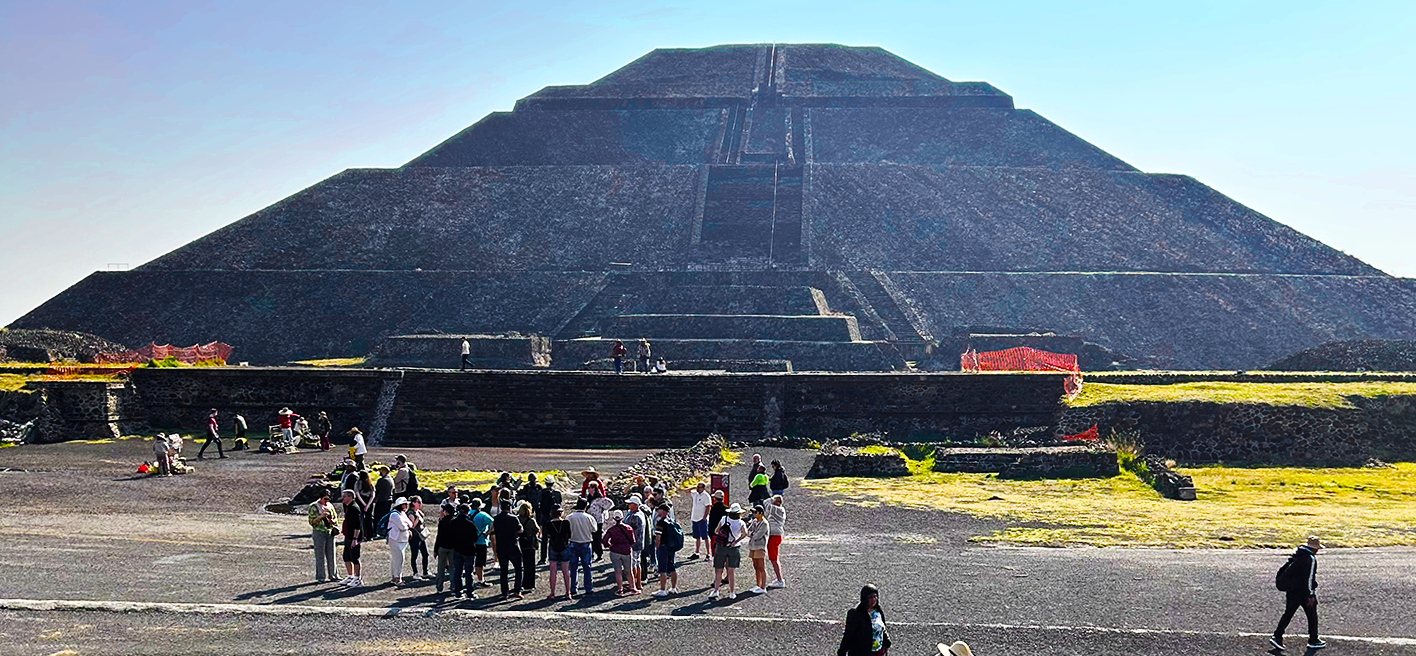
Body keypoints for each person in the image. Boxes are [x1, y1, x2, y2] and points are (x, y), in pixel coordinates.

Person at [1272, 536, 1326, 652]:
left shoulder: (1297, 555)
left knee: (1288, 613)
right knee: (1312, 616)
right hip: (1303, 593)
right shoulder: (1309, 558)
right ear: (1314, 549)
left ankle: (1277, 635)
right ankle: (1313, 640)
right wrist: (1310, 594)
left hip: (1292, 591)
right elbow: (1309, 578)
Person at [838, 584, 891, 656]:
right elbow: (849, 635)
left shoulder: (878, 612)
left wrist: (887, 643)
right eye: (870, 597)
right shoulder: (856, 614)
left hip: (878, 652)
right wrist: (842, 651)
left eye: (875, 597)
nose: (873, 600)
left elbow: (882, 628)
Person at [709, 503, 746, 600]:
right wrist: (736, 541)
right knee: (731, 571)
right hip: (734, 547)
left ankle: (716, 590)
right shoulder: (741, 523)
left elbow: (716, 531)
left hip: (721, 546)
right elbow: (745, 533)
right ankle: (732, 592)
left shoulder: (723, 519)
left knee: (718, 570)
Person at [491, 500, 523, 600]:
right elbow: (520, 530)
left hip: (501, 547)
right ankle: (517, 590)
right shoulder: (514, 518)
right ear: (509, 508)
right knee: (518, 569)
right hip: (513, 546)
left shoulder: (496, 519)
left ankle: (505, 593)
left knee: (503, 571)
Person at [566, 499, 598, 596]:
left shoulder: (569, 517)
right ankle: (588, 588)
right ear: (585, 506)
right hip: (586, 543)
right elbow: (594, 529)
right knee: (587, 567)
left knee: (573, 567)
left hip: (573, 543)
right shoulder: (589, 517)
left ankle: (573, 588)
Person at [308, 487, 339, 582]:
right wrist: (321, 516)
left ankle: (333, 575)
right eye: (325, 499)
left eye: (328, 499)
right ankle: (321, 577)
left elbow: (336, 519)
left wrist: (332, 520)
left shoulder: (330, 506)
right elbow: (311, 521)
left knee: (331, 555)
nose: (326, 501)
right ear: (320, 498)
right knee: (320, 555)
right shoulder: (314, 506)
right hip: (319, 532)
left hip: (330, 532)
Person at [651, 503, 682, 597]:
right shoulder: (671, 521)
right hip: (671, 547)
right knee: (672, 567)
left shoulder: (661, 523)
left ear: (663, 511)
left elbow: (658, 537)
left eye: (659, 510)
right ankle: (673, 588)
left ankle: (662, 589)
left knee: (662, 570)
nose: (657, 512)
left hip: (663, 548)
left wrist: (657, 548)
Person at [448, 504, 478, 599]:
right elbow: (475, 538)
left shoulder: (453, 522)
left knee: (457, 571)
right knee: (469, 572)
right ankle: (470, 592)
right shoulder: (470, 524)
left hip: (457, 549)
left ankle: (458, 591)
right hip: (469, 550)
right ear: (468, 512)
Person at [603, 510, 637, 595]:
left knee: (618, 571)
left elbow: (604, 540)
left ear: (613, 518)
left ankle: (620, 589)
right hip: (626, 551)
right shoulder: (628, 528)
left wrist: (609, 546)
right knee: (629, 571)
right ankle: (633, 588)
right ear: (622, 517)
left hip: (615, 551)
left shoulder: (611, 530)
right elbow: (632, 541)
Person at [543, 506, 573, 600]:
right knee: (566, 571)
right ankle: (568, 592)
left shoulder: (548, 524)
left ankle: (552, 593)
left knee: (553, 571)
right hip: (564, 546)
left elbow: (546, 536)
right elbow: (569, 535)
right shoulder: (566, 523)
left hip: (553, 546)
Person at [339, 489, 364, 588]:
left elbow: (357, 525)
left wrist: (355, 539)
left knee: (355, 557)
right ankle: (350, 575)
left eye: (344, 496)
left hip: (354, 537)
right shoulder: (348, 506)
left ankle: (358, 578)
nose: (343, 498)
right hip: (348, 536)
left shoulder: (354, 508)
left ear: (350, 497)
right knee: (346, 557)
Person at [386, 497, 412, 585]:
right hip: (395, 539)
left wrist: (406, 525)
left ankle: (394, 577)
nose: (406, 506)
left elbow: (410, 524)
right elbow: (402, 526)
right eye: (404, 504)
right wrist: (406, 525)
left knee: (396, 558)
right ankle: (398, 578)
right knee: (399, 559)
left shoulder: (402, 514)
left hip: (402, 540)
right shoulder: (395, 515)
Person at [623, 496, 647, 591]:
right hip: (639, 542)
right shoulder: (641, 514)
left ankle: (634, 584)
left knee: (633, 564)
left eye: (630, 503)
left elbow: (626, 528)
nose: (628, 505)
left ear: (635, 505)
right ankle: (638, 583)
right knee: (637, 562)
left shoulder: (634, 516)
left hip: (633, 543)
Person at [469, 499, 494, 588]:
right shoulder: (482, 515)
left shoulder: (467, 514)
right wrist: (488, 532)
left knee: (469, 561)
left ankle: (469, 581)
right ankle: (480, 580)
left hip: (469, 541)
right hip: (481, 541)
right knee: (479, 562)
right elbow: (493, 522)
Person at [515, 500, 539, 592]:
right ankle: (529, 585)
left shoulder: (517, 519)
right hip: (530, 544)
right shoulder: (531, 520)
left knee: (521, 565)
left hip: (520, 543)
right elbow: (537, 529)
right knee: (530, 565)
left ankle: (520, 583)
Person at [537, 476, 562, 564]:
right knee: (555, 538)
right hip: (555, 517)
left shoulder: (541, 493)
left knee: (544, 539)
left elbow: (538, 505)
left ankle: (543, 558)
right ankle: (557, 557)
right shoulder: (557, 493)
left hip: (545, 518)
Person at [746, 505, 770, 594]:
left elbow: (757, 536)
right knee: (756, 566)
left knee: (761, 567)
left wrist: (751, 534)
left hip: (760, 547)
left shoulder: (764, 523)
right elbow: (748, 531)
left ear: (761, 513)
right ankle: (758, 584)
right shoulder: (754, 521)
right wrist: (751, 533)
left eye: (755, 512)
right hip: (753, 546)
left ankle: (763, 586)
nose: (754, 514)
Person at [433, 502, 455, 592]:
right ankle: (453, 586)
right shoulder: (454, 521)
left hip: (442, 547)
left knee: (441, 568)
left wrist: (435, 549)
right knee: (452, 568)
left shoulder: (442, 522)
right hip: (453, 547)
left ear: (446, 512)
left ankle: (439, 587)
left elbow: (439, 536)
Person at [587, 486, 613, 562]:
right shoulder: (589, 498)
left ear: (594, 489)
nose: (588, 489)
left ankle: (599, 555)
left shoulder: (599, 499)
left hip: (598, 521)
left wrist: (603, 511)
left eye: (589, 487)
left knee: (597, 538)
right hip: (590, 520)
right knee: (591, 538)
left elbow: (610, 503)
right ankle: (591, 554)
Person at [766, 494, 787, 588]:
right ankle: (779, 579)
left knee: (774, 558)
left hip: (775, 535)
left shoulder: (777, 509)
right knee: (773, 558)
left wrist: (770, 499)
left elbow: (766, 503)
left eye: (775, 500)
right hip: (775, 535)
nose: (773, 501)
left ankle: (780, 579)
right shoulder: (779, 510)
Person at [407, 497, 430, 581]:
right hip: (415, 537)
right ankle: (415, 573)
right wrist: (417, 518)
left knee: (425, 553)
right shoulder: (411, 513)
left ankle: (425, 571)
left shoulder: (417, 511)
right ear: (413, 503)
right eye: (418, 502)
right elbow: (412, 526)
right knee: (415, 554)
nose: (420, 503)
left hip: (421, 536)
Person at [688, 482, 712, 559]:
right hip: (694, 518)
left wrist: (704, 517)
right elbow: (686, 491)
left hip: (702, 519)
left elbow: (708, 507)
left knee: (705, 536)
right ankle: (697, 552)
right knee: (697, 536)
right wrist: (694, 486)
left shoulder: (706, 496)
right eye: (697, 487)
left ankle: (708, 553)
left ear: (704, 488)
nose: (698, 488)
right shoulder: (695, 494)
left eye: (699, 487)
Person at [372, 466, 394, 539]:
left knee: (377, 517)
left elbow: (377, 490)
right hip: (388, 500)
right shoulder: (391, 479)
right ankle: (384, 532)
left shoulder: (381, 480)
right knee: (385, 518)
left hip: (381, 500)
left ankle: (375, 532)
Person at [707, 489, 727, 556]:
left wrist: (710, 532)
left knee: (716, 555)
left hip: (714, 533)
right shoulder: (726, 509)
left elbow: (711, 522)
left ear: (715, 499)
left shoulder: (713, 509)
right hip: (725, 534)